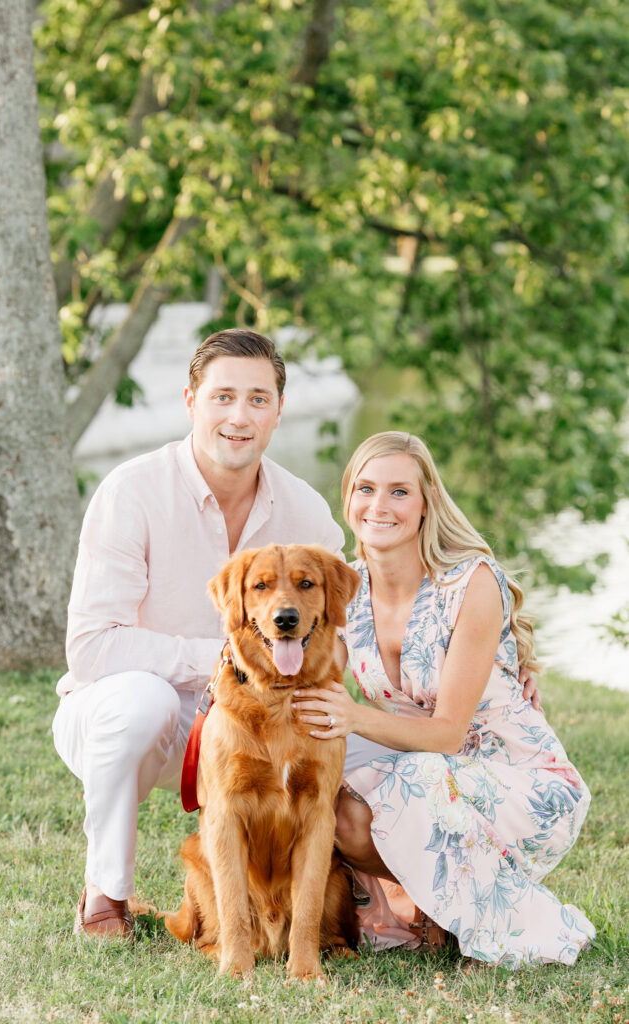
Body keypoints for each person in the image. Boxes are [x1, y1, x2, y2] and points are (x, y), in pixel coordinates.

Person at [52, 328, 346, 938]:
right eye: (223, 397)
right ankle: (106, 896)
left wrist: (504, 656)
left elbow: (351, 626)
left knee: (356, 745)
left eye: (259, 399)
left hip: (268, 716)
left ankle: (377, 903)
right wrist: (218, 660)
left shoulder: (307, 510)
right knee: (142, 704)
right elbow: (89, 648)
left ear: (278, 411)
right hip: (147, 717)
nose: (240, 417)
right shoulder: (131, 491)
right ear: (191, 400)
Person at [294, 431, 595, 967]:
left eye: (399, 492)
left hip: (523, 785)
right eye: (365, 488)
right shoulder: (347, 588)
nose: (379, 506)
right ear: (347, 498)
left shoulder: (470, 583)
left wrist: (354, 716)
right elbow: (306, 672)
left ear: (427, 503)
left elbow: (448, 734)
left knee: (414, 777)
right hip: (435, 777)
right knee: (333, 802)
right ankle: (441, 907)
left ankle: (513, 928)